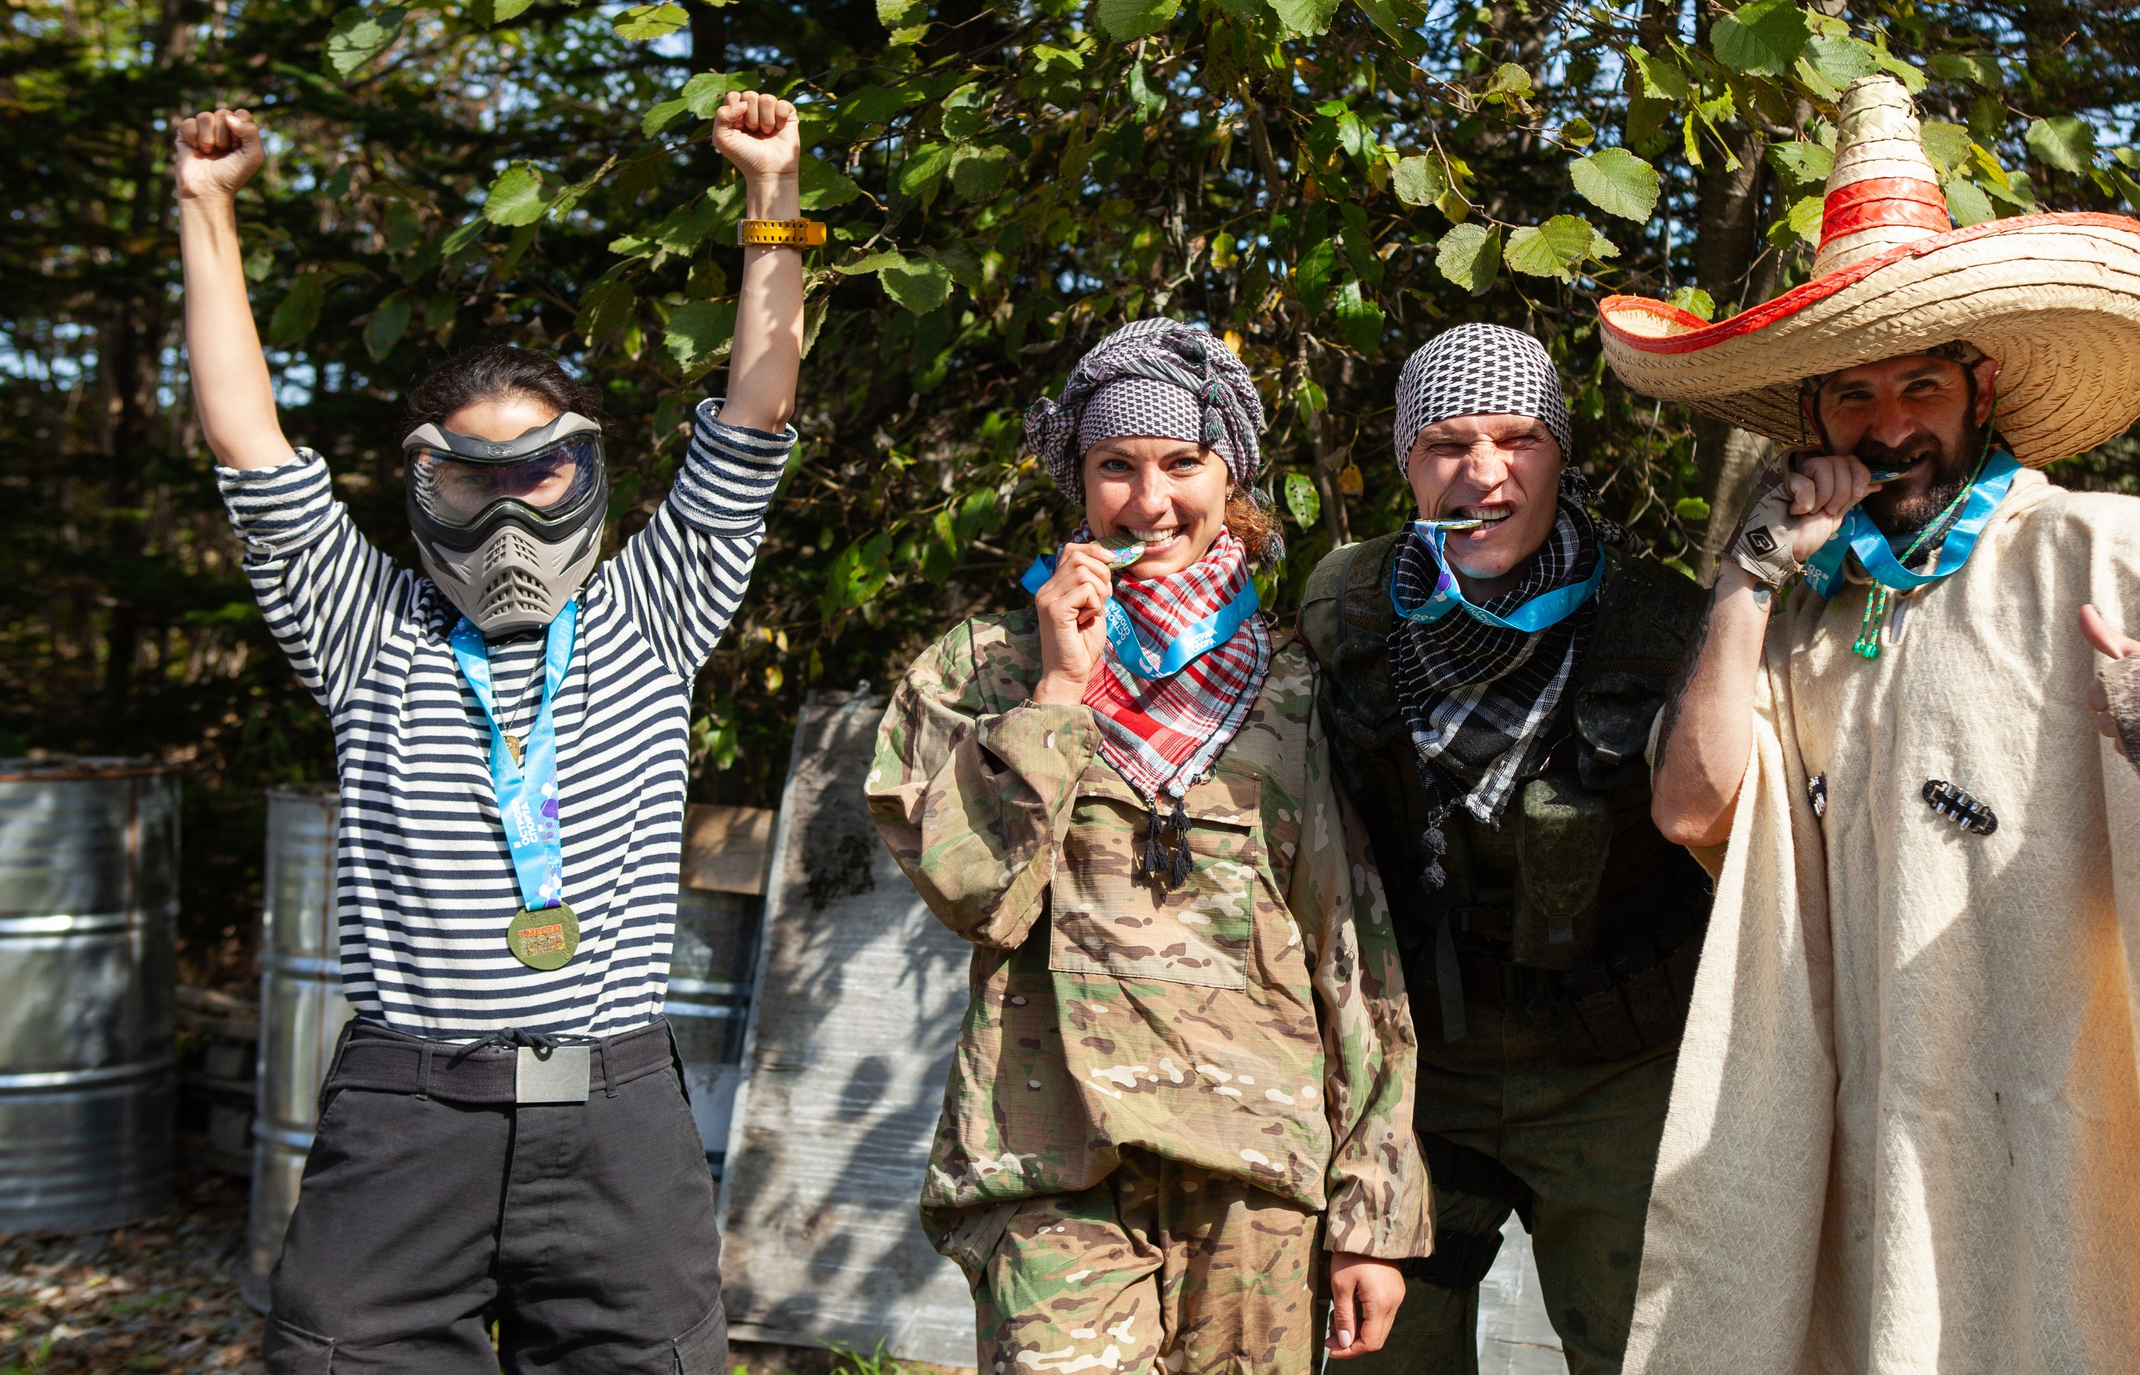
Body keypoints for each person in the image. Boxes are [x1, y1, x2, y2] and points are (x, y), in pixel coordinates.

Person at [1595, 75, 2140, 1373]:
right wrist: (1746, 578)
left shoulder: (2094, 549)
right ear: (1814, 420)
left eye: (1920, 385)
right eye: (1853, 396)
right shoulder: (1805, 617)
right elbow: (1692, 806)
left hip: (2063, 1150)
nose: (1890, 424)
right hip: (1869, 1164)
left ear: (1982, 389)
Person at [175, 92, 819, 1374]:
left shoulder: (651, 603)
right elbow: (249, 439)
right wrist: (207, 202)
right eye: (475, 474)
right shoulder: (366, 625)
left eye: (543, 470)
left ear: (588, 472)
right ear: (425, 481)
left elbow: (752, 413)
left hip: (618, 1115)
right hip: (409, 1115)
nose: (513, 506)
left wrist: (774, 195)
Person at [864, 317, 1429, 1374]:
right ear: (1077, 481)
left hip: (1255, 1174)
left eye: (1182, 462)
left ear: (1234, 477)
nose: (1150, 499)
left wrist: (1374, 1210)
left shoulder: (1298, 683)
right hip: (1052, 1166)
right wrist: (1060, 693)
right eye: (1114, 466)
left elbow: (1352, 958)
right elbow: (971, 892)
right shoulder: (982, 670)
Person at [1295, 324, 1710, 1375]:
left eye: (1518, 438)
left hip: (1619, 1071)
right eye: (1446, 443)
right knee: (1377, 1357)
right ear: (1405, 462)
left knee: (1650, 1351)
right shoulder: (1346, 609)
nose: (1483, 472)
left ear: (1560, 453)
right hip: (1418, 1074)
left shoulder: (1661, 621)